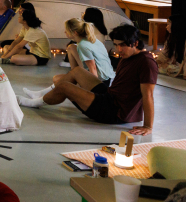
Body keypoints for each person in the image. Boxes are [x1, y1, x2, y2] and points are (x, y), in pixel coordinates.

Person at [19, 25, 158, 136]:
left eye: (122, 45)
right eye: (116, 45)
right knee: (77, 72)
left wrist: (148, 126)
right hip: (110, 97)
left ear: (136, 43)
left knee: (65, 87)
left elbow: (148, 96)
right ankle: (41, 95)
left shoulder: (146, 62)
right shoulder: (127, 56)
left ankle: (34, 102)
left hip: (114, 111)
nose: (118, 49)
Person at [61, 18, 114, 84]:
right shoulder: (90, 39)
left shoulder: (82, 45)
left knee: (58, 80)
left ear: (75, 33)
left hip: (101, 80)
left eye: (67, 30)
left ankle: (74, 78)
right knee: (71, 47)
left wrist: (93, 89)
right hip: (108, 76)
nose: (65, 32)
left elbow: (93, 69)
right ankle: (74, 75)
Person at [155, 16, 186, 80]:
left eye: (168, 24)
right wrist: (158, 61)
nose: (166, 27)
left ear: (175, 25)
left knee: (169, 68)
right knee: (156, 65)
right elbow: (165, 51)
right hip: (173, 62)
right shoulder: (172, 35)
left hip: (182, 64)